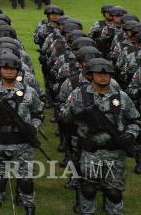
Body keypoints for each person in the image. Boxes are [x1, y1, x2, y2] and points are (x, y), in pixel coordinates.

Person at [59, 57, 140, 215]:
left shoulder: (121, 97)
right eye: (99, 73)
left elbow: (136, 120)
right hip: (91, 153)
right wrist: (74, 111)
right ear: (91, 75)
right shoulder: (79, 95)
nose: (103, 76)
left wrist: (131, 134)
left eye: (107, 74)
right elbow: (64, 117)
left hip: (115, 153)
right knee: (88, 190)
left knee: (114, 193)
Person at [0, 52, 43, 215]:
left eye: (13, 69)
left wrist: (34, 128)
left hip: (23, 143)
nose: (9, 71)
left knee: (26, 181)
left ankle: (30, 208)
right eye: (5, 68)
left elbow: (38, 113)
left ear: (18, 71)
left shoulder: (29, 92)